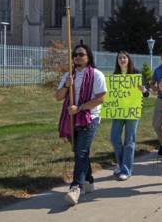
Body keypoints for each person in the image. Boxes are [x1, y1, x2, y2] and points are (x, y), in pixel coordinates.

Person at [56, 44, 107, 206]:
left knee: (81, 152)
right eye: (75, 54)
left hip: (89, 117)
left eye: (81, 54)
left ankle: (76, 187)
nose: (78, 57)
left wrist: (80, 108)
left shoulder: (96, 75)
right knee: (80, 153)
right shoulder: (68, 76)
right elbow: (58, 97)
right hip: (72, 118)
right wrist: (66, 85)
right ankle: (89, 181)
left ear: (88, 57)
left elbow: (101, 98)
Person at [110, 51, 150, 180]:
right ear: (117, 60)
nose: (122, 59)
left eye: (124, 57)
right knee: (114, 138)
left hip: (132, 112)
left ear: (128, 59)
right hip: (119, 111)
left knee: (129, 141)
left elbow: (147, 93)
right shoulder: (115, 75)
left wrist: (144, 90)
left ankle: (126, 170)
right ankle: (121, 164)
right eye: (120, 57)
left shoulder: (136, 74)